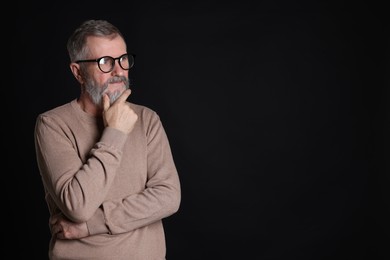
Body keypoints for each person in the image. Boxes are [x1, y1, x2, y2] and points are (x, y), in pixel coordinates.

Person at [34, 19, 181, 260]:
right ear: (77, 72)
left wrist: (92, 225)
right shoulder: (52, 124)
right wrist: (115, 132)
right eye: (105, 62)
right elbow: (78, 205)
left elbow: (169, 196)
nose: (118, 71)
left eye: (123, 59)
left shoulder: (147, 119)